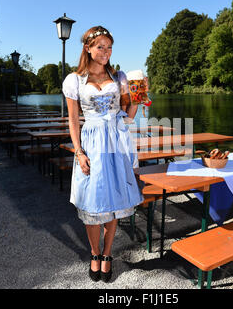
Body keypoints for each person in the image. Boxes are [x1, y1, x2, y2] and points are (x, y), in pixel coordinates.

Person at [62, 26, 143, 283]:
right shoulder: (74, 80)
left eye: (109, 47)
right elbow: (74, 120)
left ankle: (108, 254)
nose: (105, 52)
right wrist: (78, 152)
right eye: (100, 47)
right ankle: (94, 253)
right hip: (92, 143)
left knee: (114, 203)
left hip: (116, 141)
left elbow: (128, 116)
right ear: (87, 48)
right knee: (93, 203)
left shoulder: (119, 77)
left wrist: (139, 99)